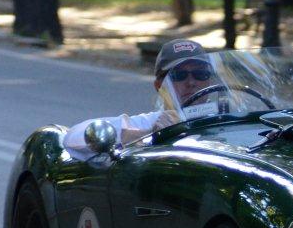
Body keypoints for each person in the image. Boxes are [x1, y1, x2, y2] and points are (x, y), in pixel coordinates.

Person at [62, 40, 214, 160]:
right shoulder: (151, 123)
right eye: (179, 75)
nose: (191, 82)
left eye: (200, 74)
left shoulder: (229, 116)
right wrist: (147, 134)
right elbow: (73, 137)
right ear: (160, 86)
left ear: (209, 80)